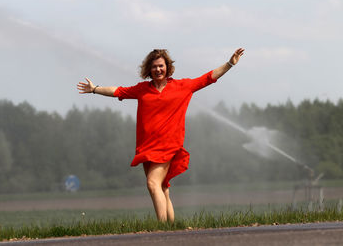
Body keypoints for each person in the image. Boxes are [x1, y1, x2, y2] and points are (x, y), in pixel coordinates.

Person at [77, 48, 245, 222]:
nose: (158, 70)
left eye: (161, 66)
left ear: (168, 67)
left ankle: (162, 229)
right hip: (146, 146)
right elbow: (117, 91)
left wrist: (230, 63)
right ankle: (172, 229)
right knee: (162, 188)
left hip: (168, 145)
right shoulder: (142, 89)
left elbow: (208, 78)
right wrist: (95, 89)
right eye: (154, 67)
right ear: (149, 70)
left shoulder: (182, 86)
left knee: (152, 183)